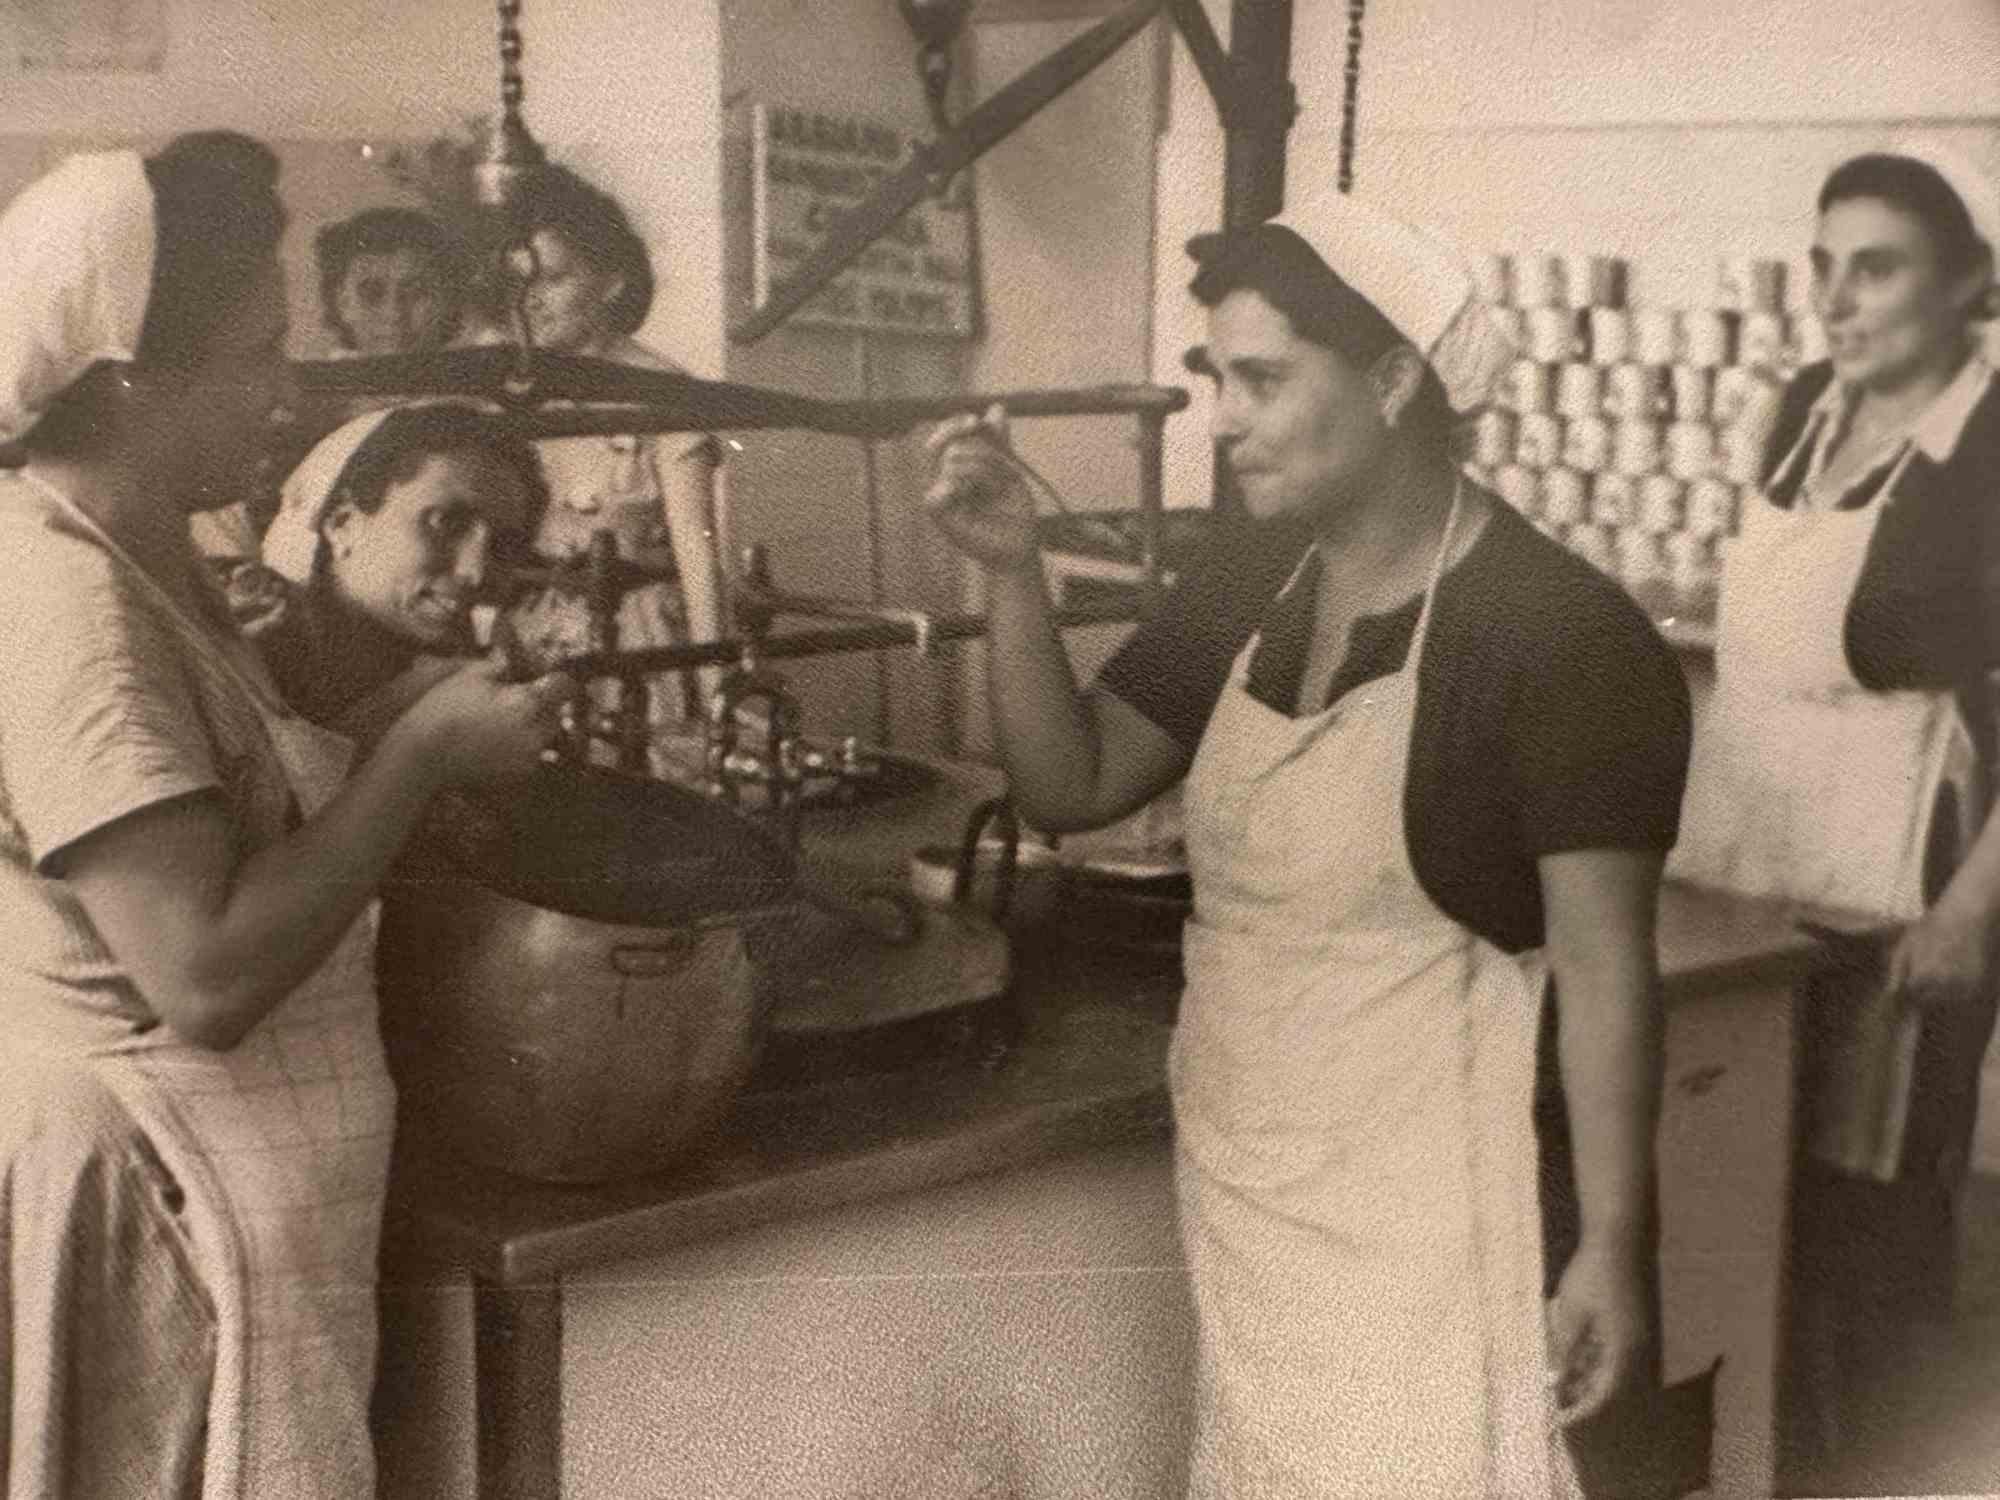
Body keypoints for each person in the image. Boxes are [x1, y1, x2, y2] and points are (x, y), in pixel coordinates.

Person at [925, 192, 1693, 1497]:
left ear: (1395, 381)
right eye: (1219, 378)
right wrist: (1012, 573)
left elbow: (1609, 971)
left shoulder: (1561, 637)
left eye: (1263, 381)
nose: (1224, 420)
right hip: (1252, 1190)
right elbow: (1072, 782)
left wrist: (1614, 1246)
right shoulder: (1252, 576)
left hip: (1441, 1231)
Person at [0, 136, 570, 1498]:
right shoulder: (69, 610)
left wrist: (392, 727)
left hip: (240, 1210)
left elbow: (230, 812)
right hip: (164, 1218)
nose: (291, 390)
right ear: (134, 381)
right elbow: (199, 970)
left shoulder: (152, 556)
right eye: (259, 354)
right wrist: (423, 749)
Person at [1671, 146, 2000, 1488]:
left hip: (1896, 879)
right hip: (1747, 856)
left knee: (1867, 1236)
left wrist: (1973, 909)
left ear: (1969, 285)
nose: (1838, 300)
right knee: (1731, 1196)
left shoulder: (1987, 445)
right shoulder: (1805, 405)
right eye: (1824, 267)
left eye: (1877, 268)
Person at [499, 165, 727, 764]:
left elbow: (699, 554)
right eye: (522, 283)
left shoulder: (664, 391)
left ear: (612, 283)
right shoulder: (521, 393)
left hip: (636, 636)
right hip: (538, 632)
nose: (532, 301)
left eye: (554, 278)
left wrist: (714, 684)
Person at [242, 400, 548, 741]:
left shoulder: (482, 674)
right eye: (445, 523)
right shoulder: (256, 666)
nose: (475, 571)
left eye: (503, 546)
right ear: (343, 524)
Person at [314, 205, 464, 359]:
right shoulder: (313, 382)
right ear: (342, 303)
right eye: (372, 295)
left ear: (447, 300)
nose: (394, 313)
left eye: (415, 293)